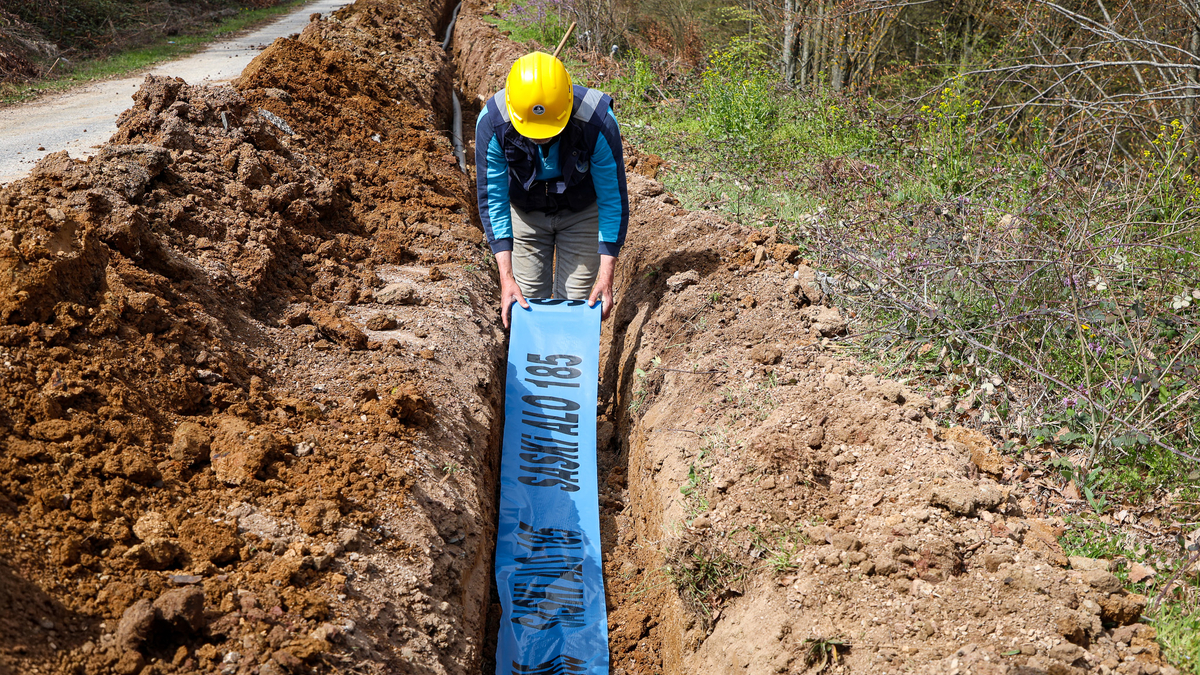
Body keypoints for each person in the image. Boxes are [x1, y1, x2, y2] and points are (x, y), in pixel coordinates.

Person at [475, 51, 629, 327]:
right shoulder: (493, 123)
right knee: (527, 302)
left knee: (578, 305)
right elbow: (493, 199)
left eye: (549, 131)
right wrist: (506, 278)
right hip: (526, 213)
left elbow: (612, 198)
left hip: (582, 211)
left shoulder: (598, 122)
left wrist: (606, 277)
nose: (541, 138)